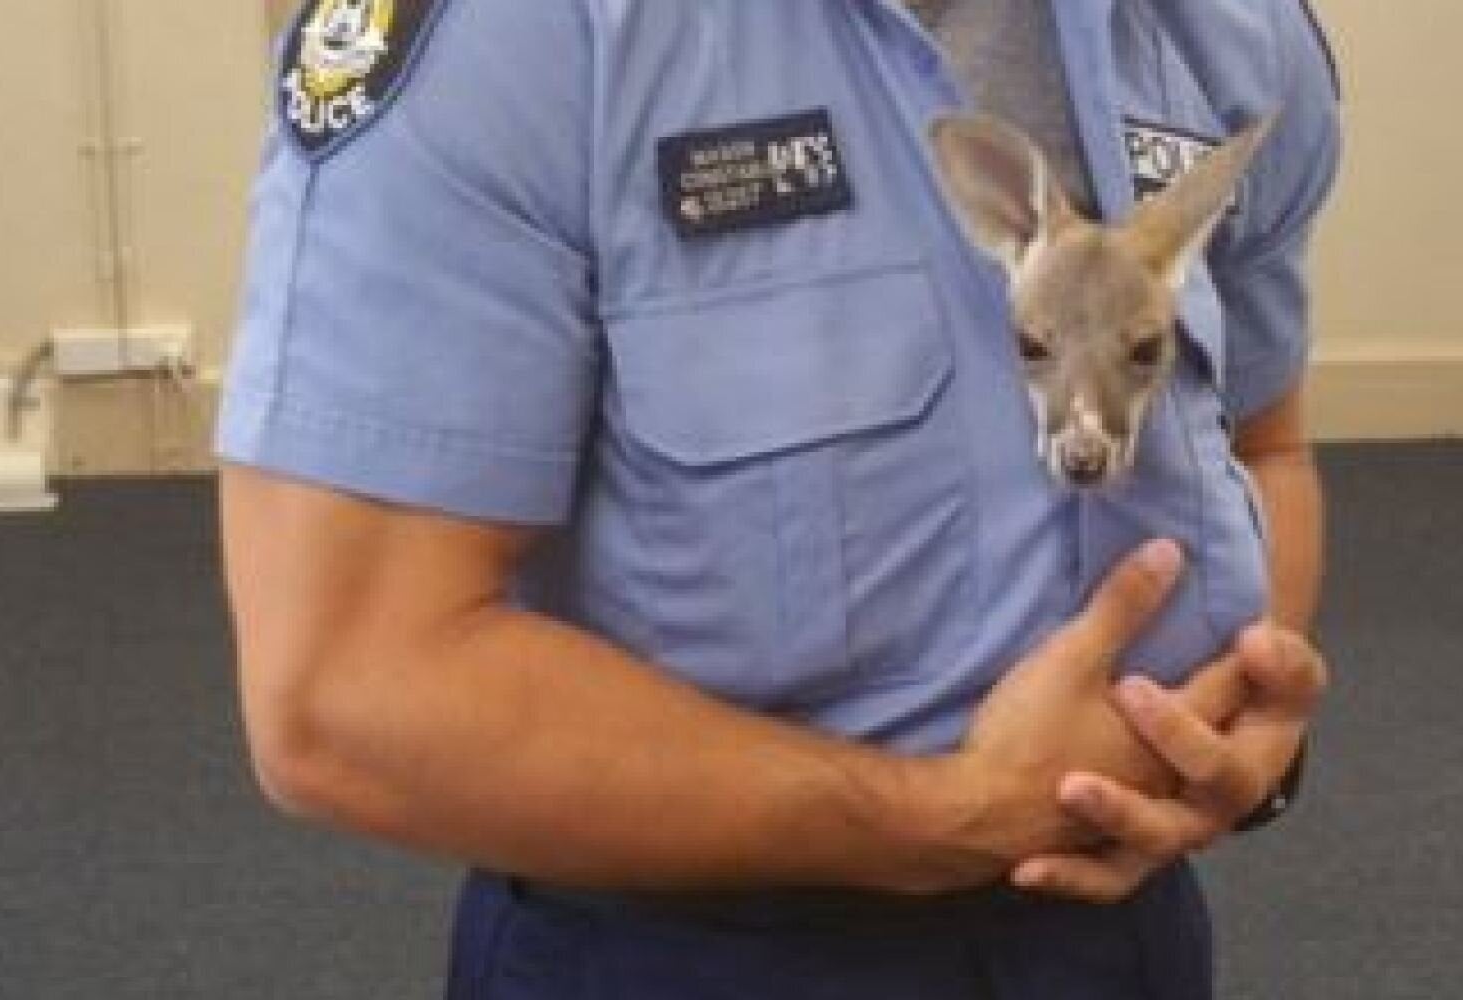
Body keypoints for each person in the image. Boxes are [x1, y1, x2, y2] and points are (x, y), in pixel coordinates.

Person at [215, 0, 1342, 996]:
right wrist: (949, 811)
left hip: (1113, 930)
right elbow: (347, 690)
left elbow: (1261, 451)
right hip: (699, 940)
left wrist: (1232, 736)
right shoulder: (515, 38)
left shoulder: (1227, 30)